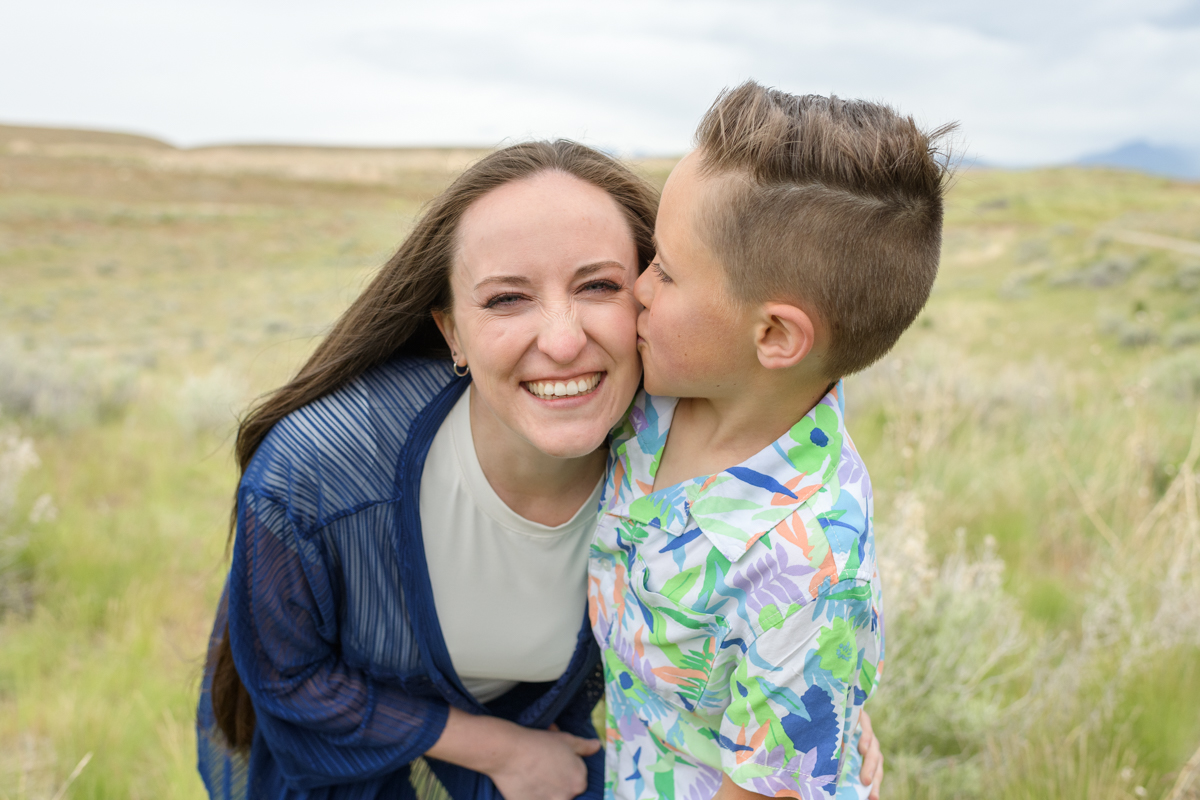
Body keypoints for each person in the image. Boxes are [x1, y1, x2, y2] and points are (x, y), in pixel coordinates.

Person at [196, 138, 885, 800]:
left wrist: (817, 695)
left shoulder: (669, 430)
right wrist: (498, 749)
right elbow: (289, 680)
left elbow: (788, 463)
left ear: (651, 299)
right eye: (506, 299)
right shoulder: (319, 471)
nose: (562, 341)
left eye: (599, 286)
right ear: (451, 331)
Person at [589, 82, 951, 799]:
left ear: (776, 335)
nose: (637, 285)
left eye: (665, 268)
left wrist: (825, 687)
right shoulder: (662, 395)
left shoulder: (806, 560)